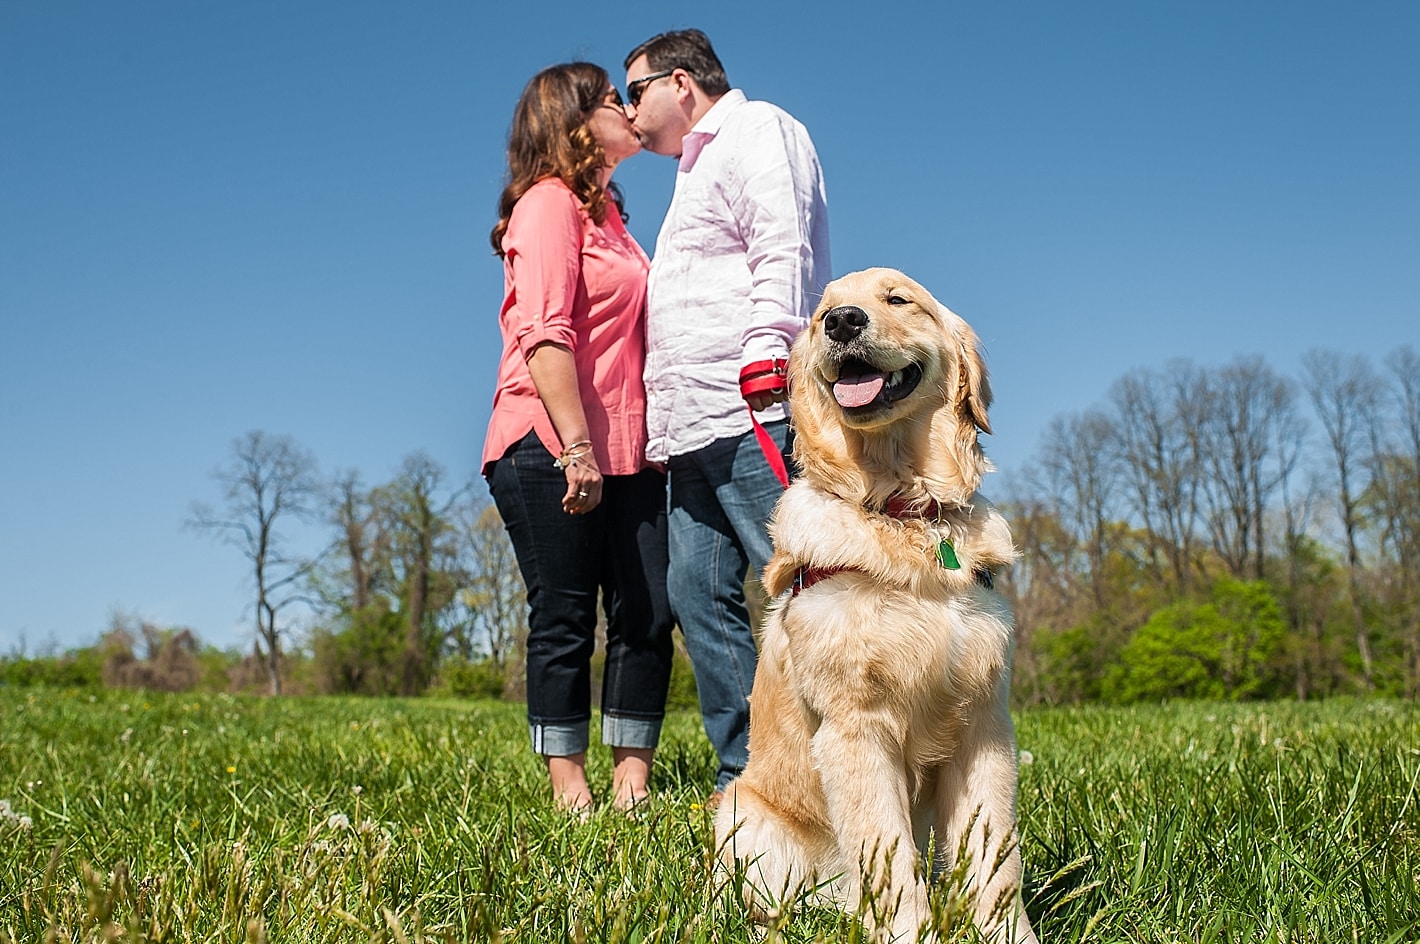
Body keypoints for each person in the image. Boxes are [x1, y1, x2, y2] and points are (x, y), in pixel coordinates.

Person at [622, 30, 831, 800]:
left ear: (681, 82)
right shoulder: (690, 170)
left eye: (633, 91)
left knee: (804, 589)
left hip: (755, 409)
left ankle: (834, 758)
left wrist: (769, 348)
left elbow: (783, 244)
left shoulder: (756, 130)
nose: (628, 111)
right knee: (698, 598)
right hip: (691, 432)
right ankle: (751, 773)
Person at [483, 62, 672, 814]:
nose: (627, 108)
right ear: (572, 122)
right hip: (549, 440)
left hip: (629, 446)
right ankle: (570, 790)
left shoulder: (613, 217)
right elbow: (545, 335)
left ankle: (633, 783)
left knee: (648, 608)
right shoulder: (548, 205)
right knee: (564, 614)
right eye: (609, 100)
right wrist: (576, 448)